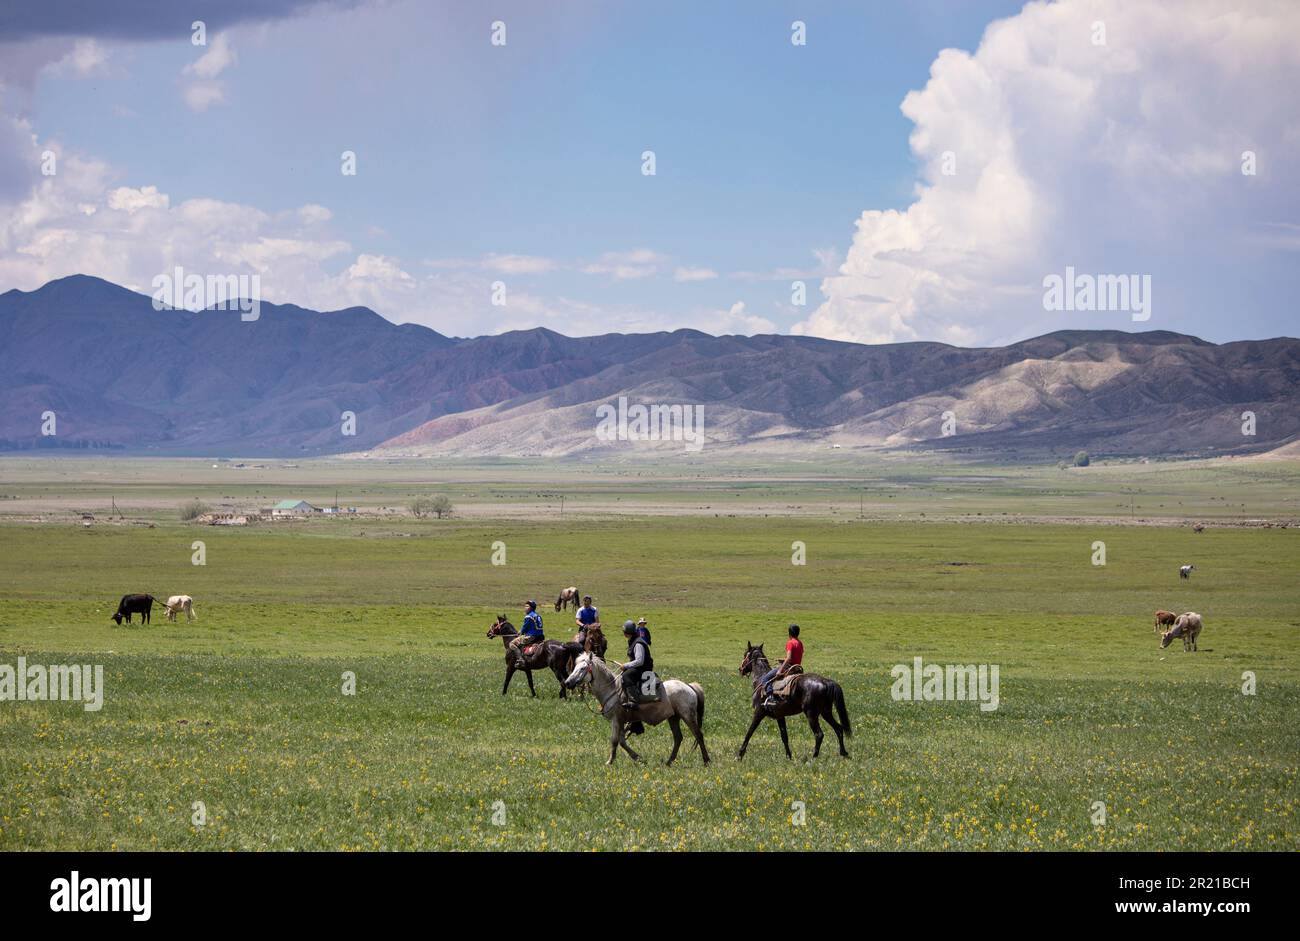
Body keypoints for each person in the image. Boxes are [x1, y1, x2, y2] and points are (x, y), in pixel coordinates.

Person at [619, 620, 654, 734]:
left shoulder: (638, 643)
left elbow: (639, 661)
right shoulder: (633, 640)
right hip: (639, 668)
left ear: (626, 632)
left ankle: (634, 701)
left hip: (644, 669)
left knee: (626, 676)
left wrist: (625, 666)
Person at [761, 624, 804, 707]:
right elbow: (795, 657)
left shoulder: (790, 643)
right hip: (797, 668)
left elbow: (789, 658)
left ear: (789, 633)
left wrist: (780, 670)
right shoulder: (800, 643)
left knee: (765, 678)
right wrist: (783, 659)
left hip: (789, 667)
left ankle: (770, 698)